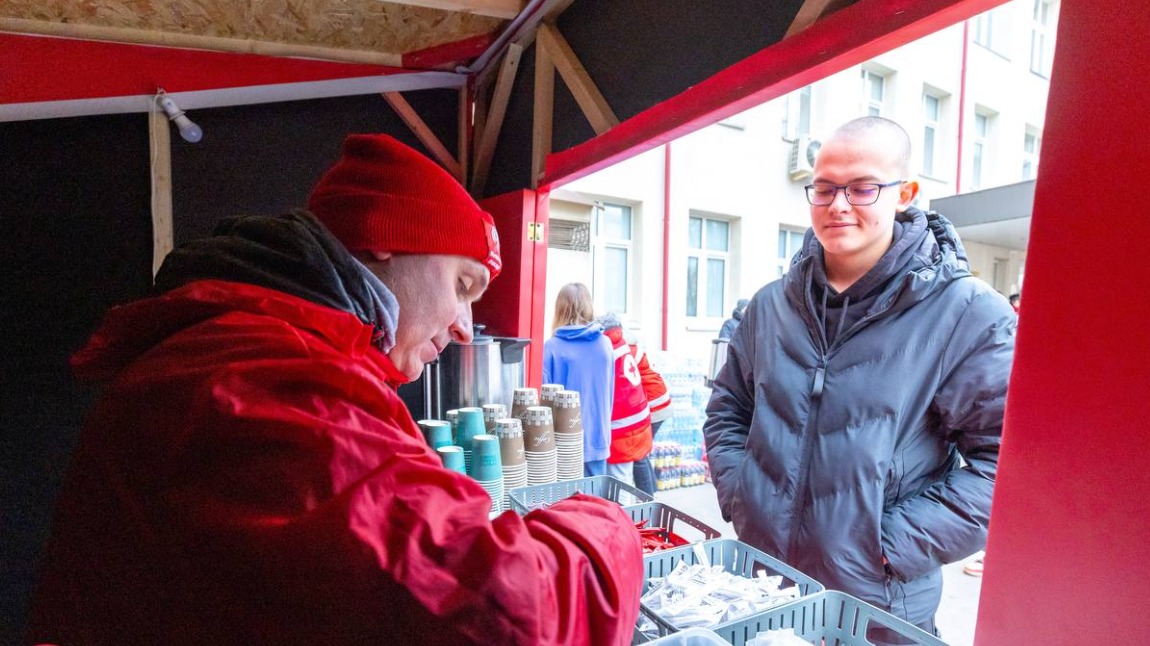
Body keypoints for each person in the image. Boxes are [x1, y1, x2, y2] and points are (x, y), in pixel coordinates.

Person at [26, 134, 642, 645]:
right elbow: (509, 615)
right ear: (384, 237)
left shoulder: (249, 347)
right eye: (463, 284)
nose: (462, 326)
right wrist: (612, 526)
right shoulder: (264, 380)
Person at [703, 116, 1015, 641]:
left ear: (904, 193)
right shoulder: (771, 306)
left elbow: (1003, 463)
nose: (838, 204)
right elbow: (728, 409)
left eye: (862, 187)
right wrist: (741, 496)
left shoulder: (967, 315)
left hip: (878, 608)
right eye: (824, 188)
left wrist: (886, 545)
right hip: (763, 589)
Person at [542, 283, 614, 476]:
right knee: (597, 501)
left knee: (567, 503)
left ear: (560, 308)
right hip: (598, 436)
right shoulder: (605, 345)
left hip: (563, 443)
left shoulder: (551, 348)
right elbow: (610, 393)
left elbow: (545, 403)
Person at [596, 313, 653, 487]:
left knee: (620, 484)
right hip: (638, 419)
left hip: (623, 428)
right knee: (626, 476)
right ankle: (644, 507)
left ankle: (626, 513)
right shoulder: (621, 343)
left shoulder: (606, 348)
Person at [624, 326, 672, 495]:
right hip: (659, 401)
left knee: (638, 455)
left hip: (654, 405)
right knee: (642, 453)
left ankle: (648, 501)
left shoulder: (625, 349)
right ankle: (652, 495)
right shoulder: (631, 346)